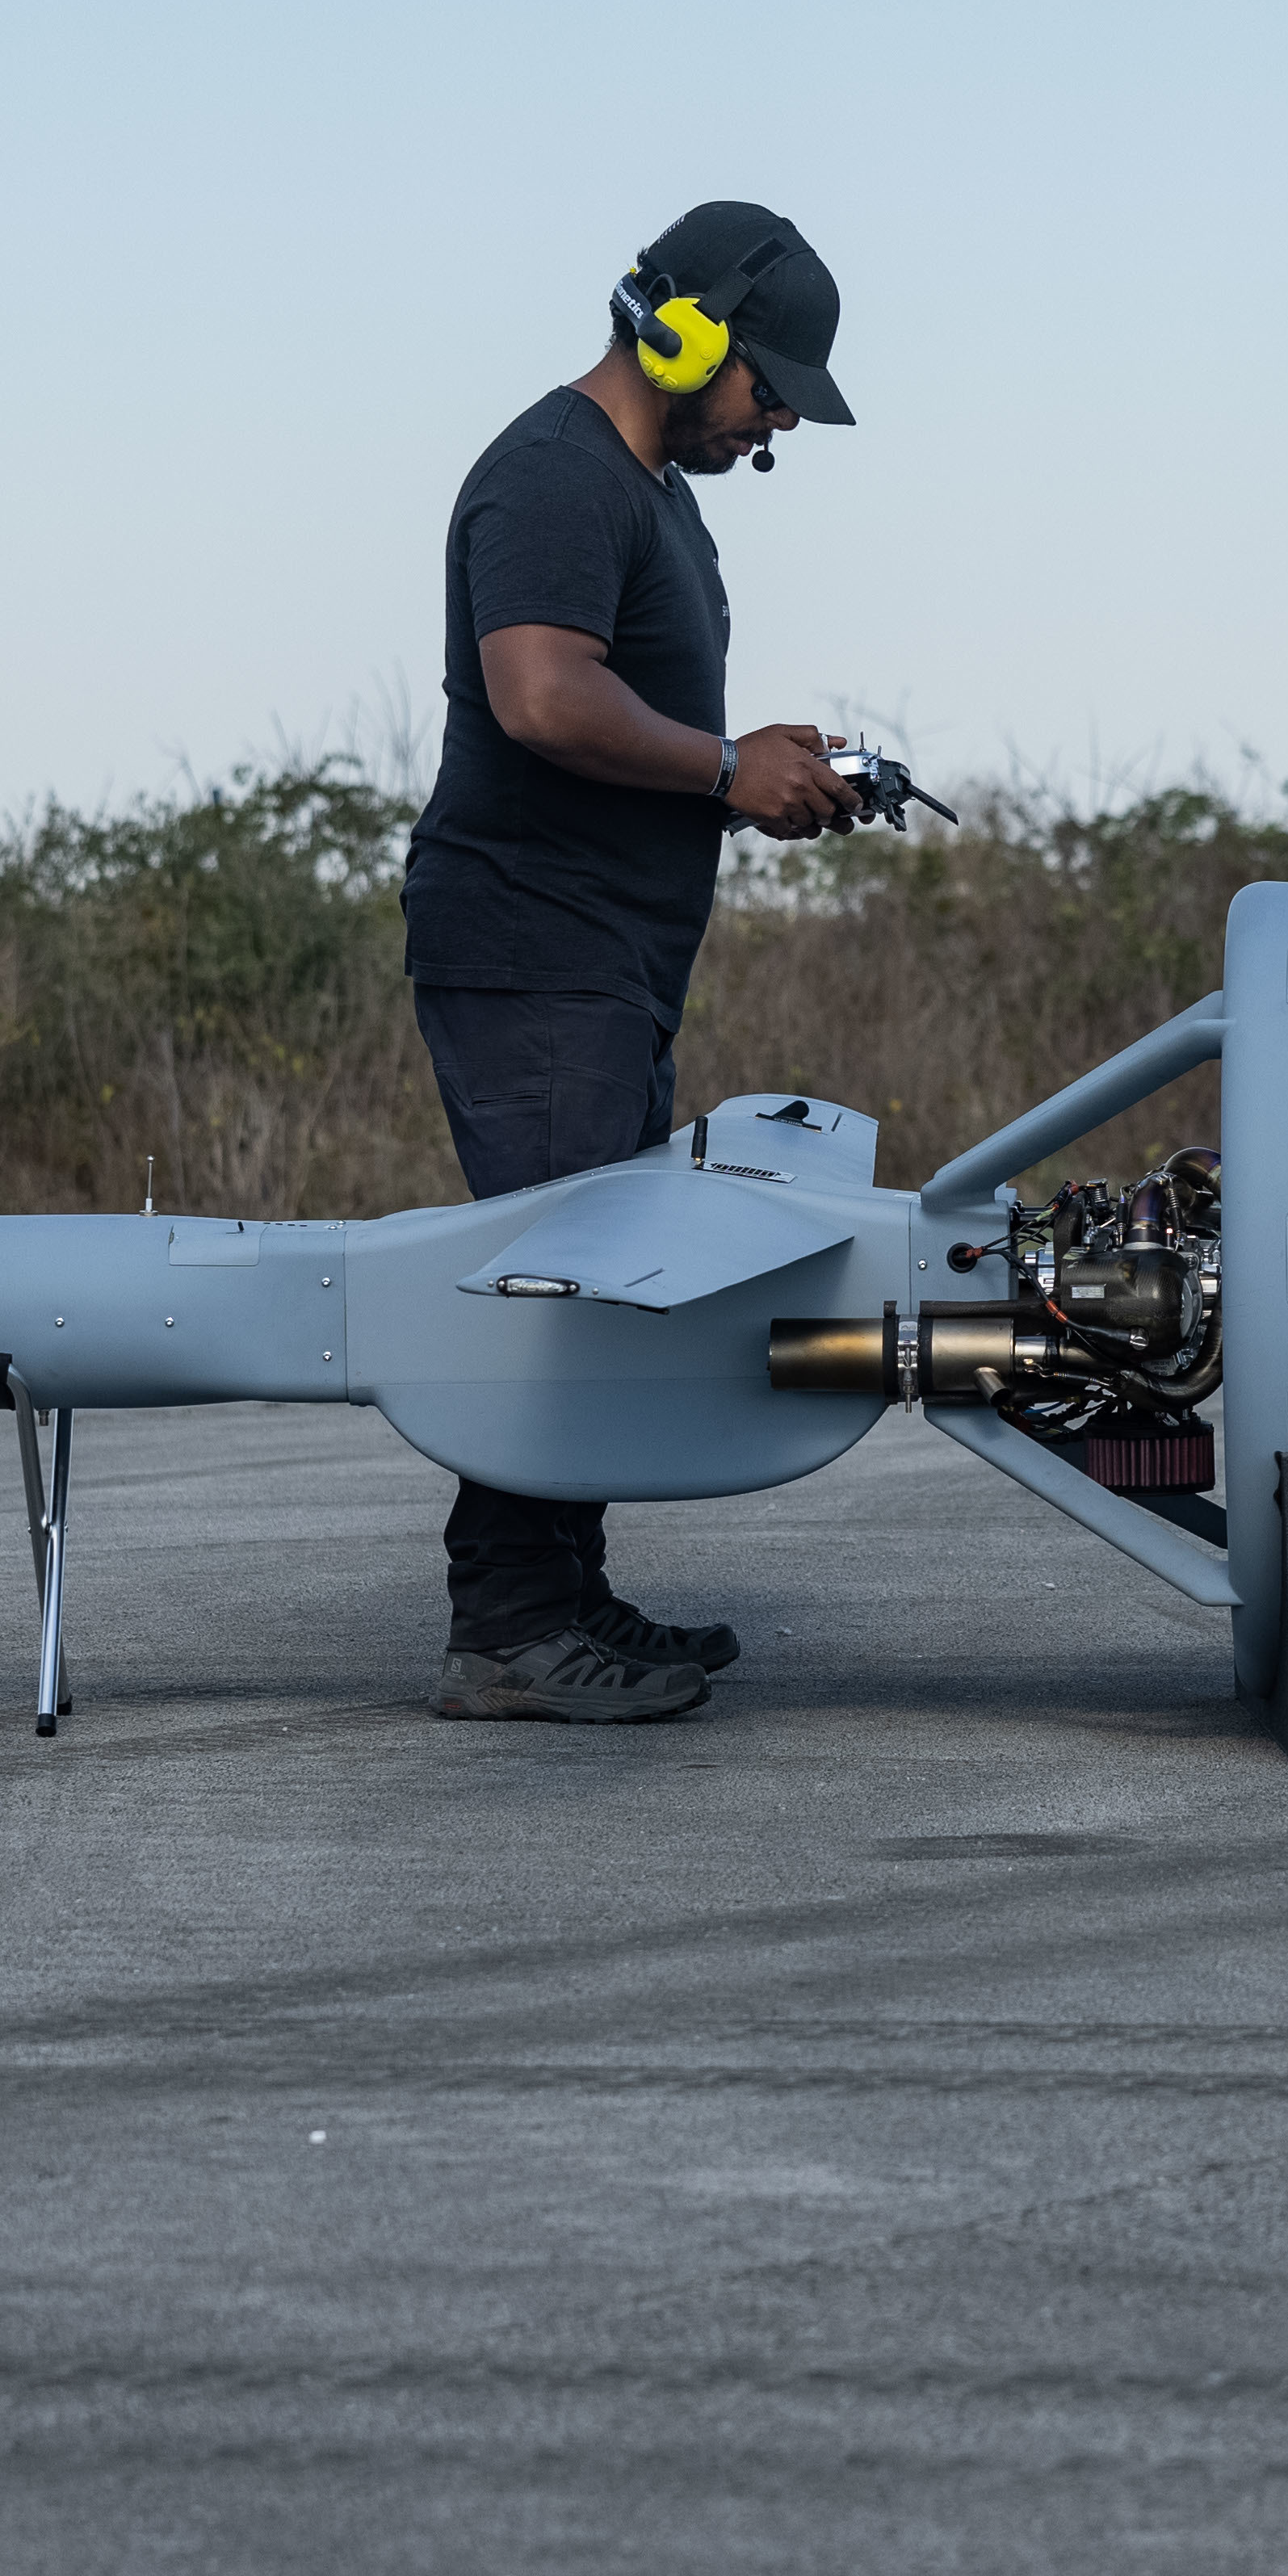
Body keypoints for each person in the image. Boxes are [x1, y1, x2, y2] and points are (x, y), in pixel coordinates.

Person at [397, 200, 873, 1723]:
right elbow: (539, 695)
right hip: (532, 949)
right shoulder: (551, 473)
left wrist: (761, 764)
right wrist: (730, 764)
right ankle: (510, 1627)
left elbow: (653, 735)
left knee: (597, 1276)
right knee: (557, 1288)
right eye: (770, 380)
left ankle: (561, 1594)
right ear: (684, 331)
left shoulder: (656, 494)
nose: (780, 414)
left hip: (602, 961)